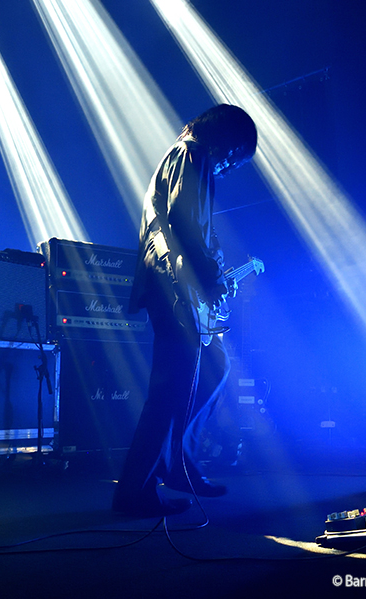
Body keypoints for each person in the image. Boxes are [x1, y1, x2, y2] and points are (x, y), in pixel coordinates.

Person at [113, 104, 257, 517]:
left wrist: (212, 274)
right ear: (228, 140)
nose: (230, 166)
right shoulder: (192, 153)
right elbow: (188, 224)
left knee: (214, 365)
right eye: (235, 156)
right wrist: (211, 278)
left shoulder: (187, 156)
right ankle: (134, 493)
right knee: (170, 390)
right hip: (174, 287)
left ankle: (178, 464)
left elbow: (190, 227)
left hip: (175, 286)